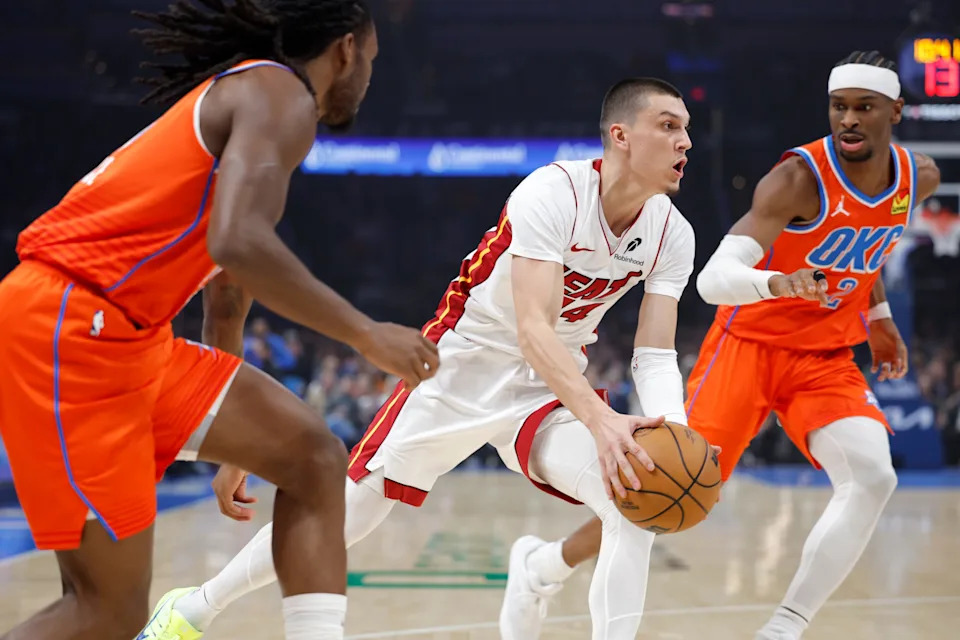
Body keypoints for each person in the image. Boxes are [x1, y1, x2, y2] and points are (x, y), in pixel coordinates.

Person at [143, 77, 699, 640]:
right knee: (344, 518)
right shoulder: (553, 192)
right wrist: (603, 421)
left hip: (549, 388)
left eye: (686, 129)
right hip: (460, 364)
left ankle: (546, 580)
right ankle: (192, 610)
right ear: (620, 136)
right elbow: (532, 328)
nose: (685, 142)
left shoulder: (673, 234)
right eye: (669, 126)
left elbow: (653, 354)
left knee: (635, 503)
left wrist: (676, 433)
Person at [0, 2, 440, 640]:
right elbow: (238, 243)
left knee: (312, 457)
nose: (367, 76)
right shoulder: (279, 91)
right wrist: (366, 333)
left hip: (133, 336)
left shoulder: (255, 100)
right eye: (371, 60)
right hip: (73, 327)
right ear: (346, 50)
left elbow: (228, 294)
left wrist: (229, 447)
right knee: (105, 611)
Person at [498, 50, 942, 640]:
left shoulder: (921, 178)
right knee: (664, 493)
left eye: (866, 108)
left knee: (873, 477)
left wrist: (879, 311)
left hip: (824, 356)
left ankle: (783, 629)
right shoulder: (796, 179)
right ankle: (543, 565)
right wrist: (777, 284)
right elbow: (712, 281)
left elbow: (871, 236)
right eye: (840, 107)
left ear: (897, 112)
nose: (850, 120)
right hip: (748, 345)